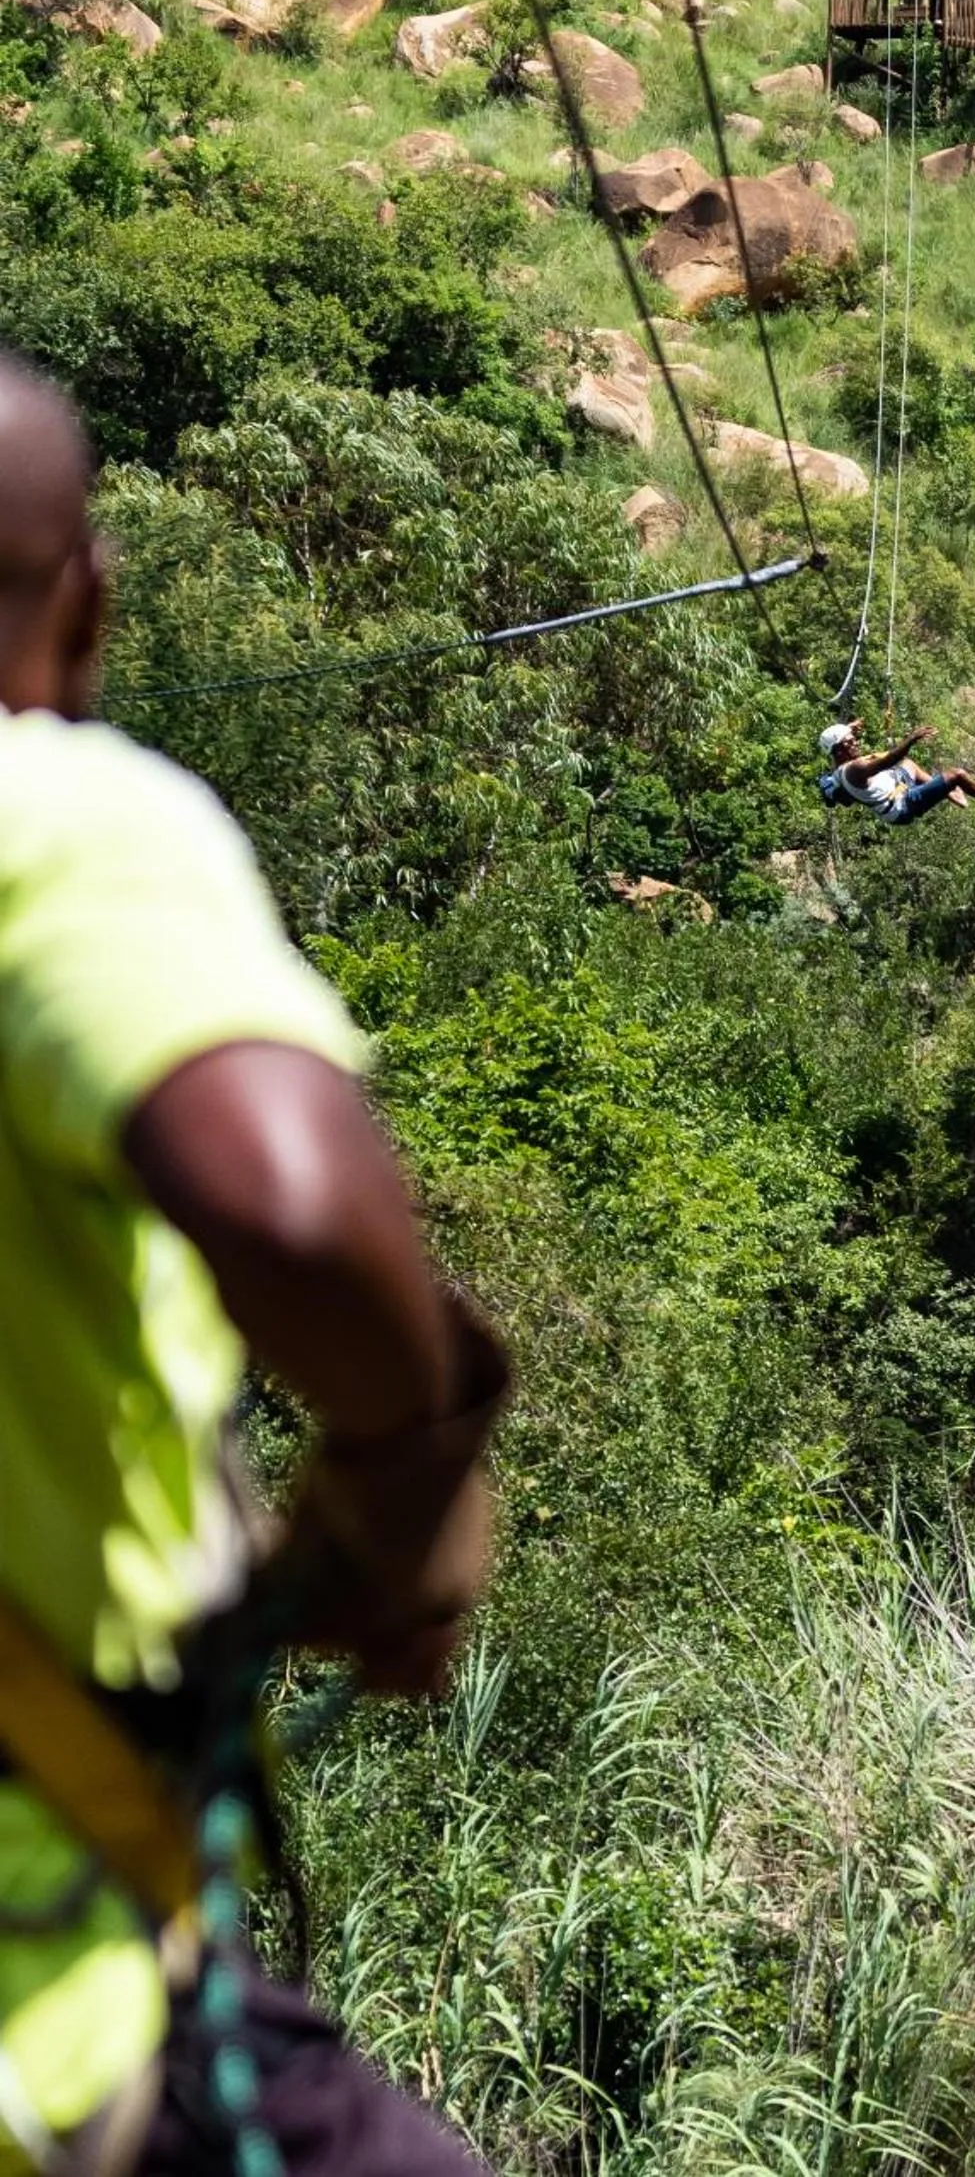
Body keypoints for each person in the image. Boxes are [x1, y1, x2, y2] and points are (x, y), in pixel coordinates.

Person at [0, 353, 505, 2175]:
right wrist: (402, 1476)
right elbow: (289, 1197)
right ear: (87, 605)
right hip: (54, 2013)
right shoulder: (51, 817)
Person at [818, 717, 975, 825]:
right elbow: (889, 760)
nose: (856, 743)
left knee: (908, 764)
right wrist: (912, 738)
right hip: (901, 805)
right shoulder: (855, 769)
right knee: (957, 774)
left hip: (897, 788)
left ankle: (946, 790)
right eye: (851, 742)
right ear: (840, 749)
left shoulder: (839, 769)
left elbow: (836, 750)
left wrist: (848, 728)